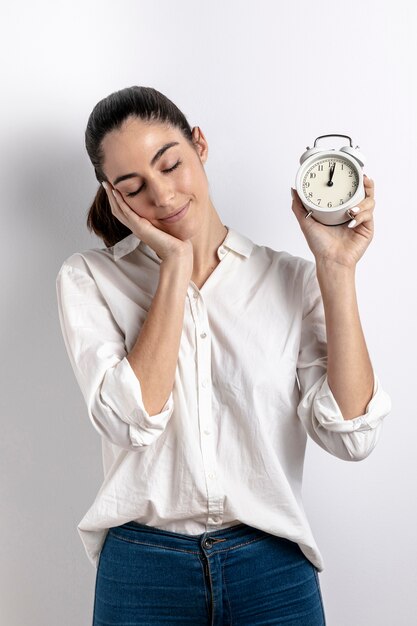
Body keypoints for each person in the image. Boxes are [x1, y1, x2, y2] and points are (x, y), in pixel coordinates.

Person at [56, 85, 391, 626]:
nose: (162, 198)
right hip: (142, 569)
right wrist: (173, 265)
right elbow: (132, 420)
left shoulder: (288, 279)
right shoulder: (90, 279)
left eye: (170, 165)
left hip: (272, 565)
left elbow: (352, 435)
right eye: (134, 187)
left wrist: (336, 268)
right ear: (113, 196)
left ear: (200, 144)